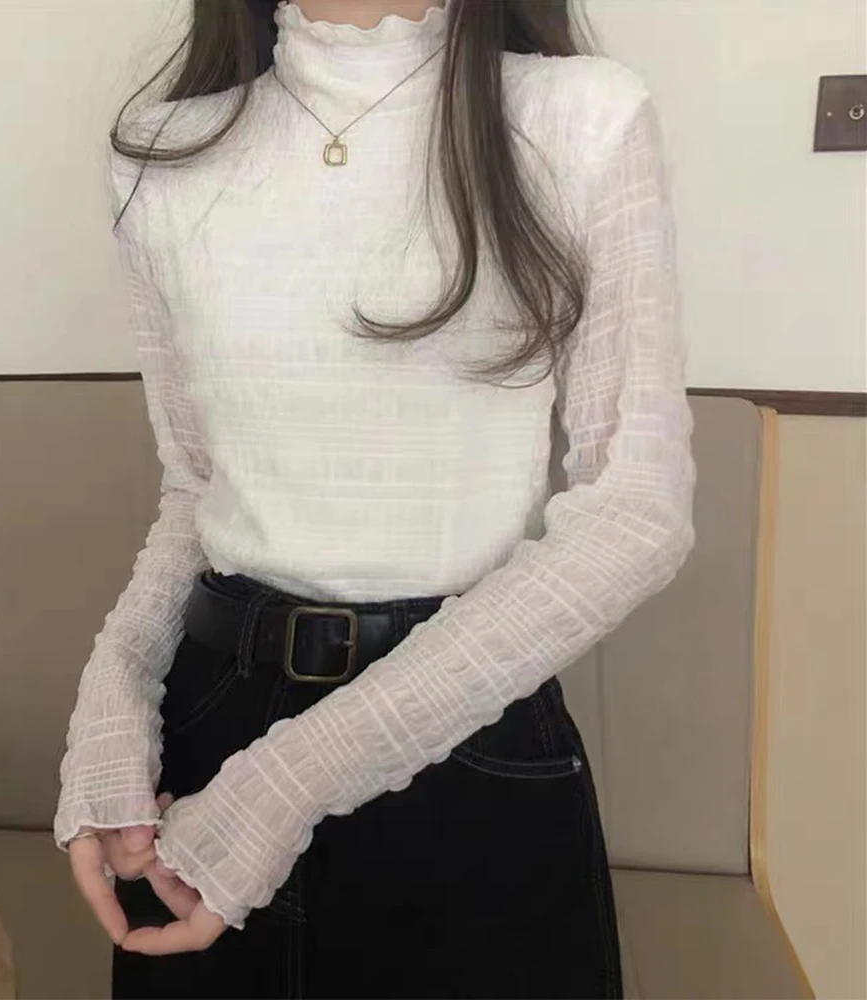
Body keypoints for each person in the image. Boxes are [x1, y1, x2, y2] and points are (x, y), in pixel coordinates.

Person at [55, 0, 697, 996]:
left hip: (465, 737)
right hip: (210, 734)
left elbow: (635, 509)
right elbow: (196, 485)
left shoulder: (580, 117)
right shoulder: (160, 150)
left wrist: (289, 782)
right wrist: (112, 702)